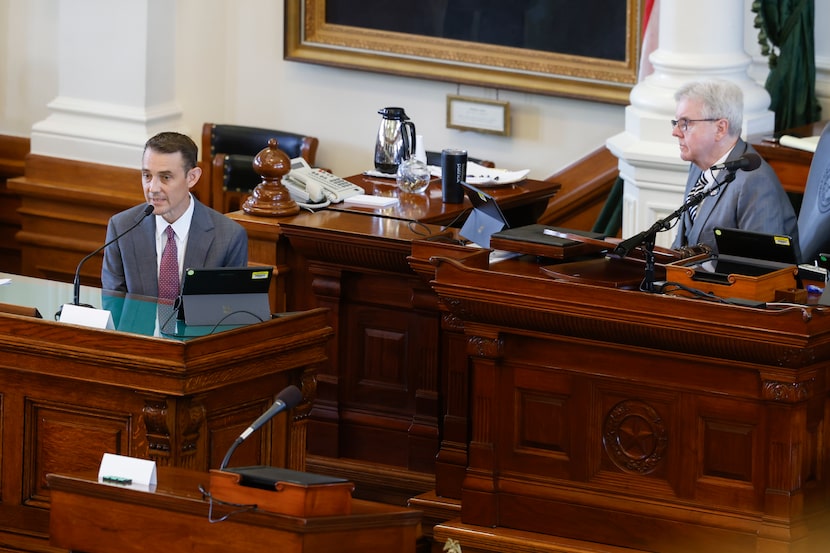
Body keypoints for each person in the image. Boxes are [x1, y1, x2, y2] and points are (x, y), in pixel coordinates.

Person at [102, 132, 248, 298]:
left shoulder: (229, 236)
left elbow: (230, 313)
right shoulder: (122, 227)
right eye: (147, 176)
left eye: (165, 177)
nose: (153, 188)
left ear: (192, 178)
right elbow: (113, 304)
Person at [670, 79, 797, 256]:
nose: (675, 132)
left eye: (685, 123)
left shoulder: (755, 182)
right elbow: (684, 241)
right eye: (675, 123)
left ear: (720, 128)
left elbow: (761, 269)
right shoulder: (698, 165)